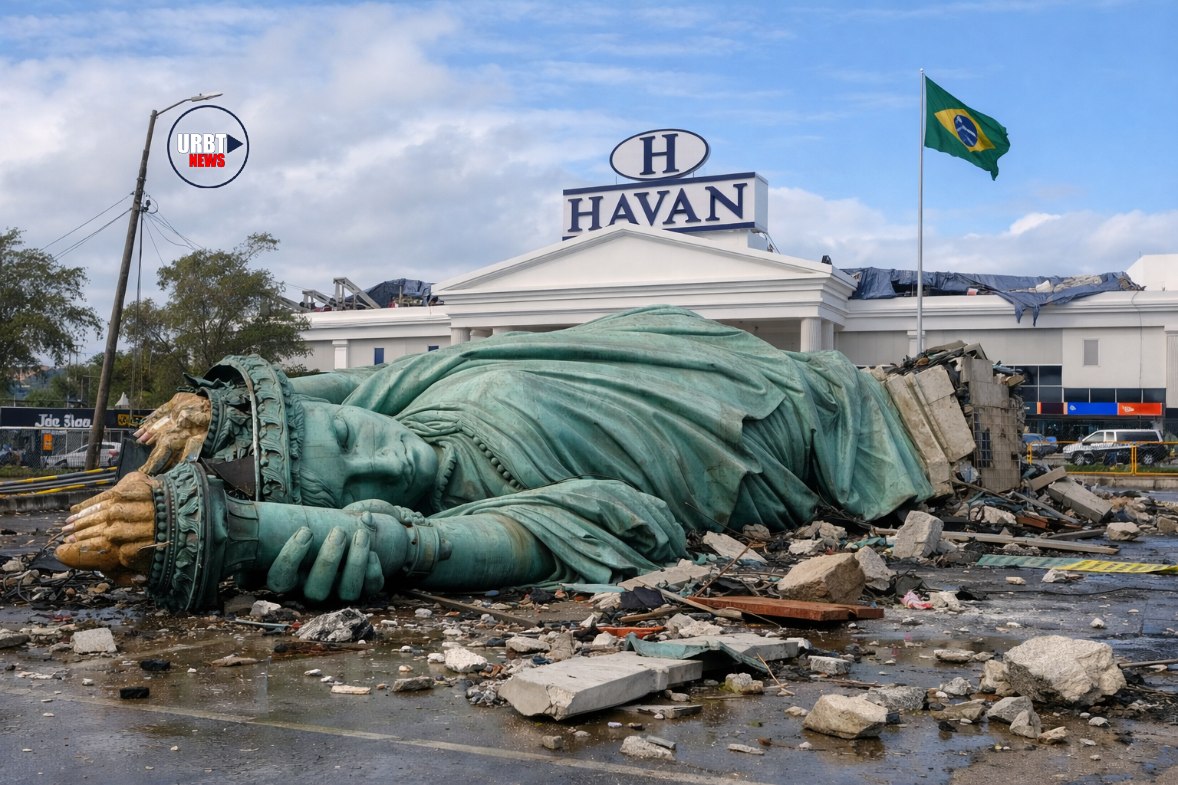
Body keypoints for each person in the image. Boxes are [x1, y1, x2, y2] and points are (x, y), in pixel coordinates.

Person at [56, 306, 933, 609]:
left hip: (727, 364)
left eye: (354, 440)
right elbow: (625, 524)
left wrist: (222, 406)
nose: (387, 467)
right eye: (353, 489)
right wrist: (244, 529)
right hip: (768, 441)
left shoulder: (409, 397)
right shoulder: (464, 515)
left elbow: (368, 383)